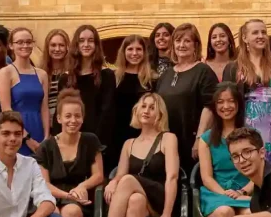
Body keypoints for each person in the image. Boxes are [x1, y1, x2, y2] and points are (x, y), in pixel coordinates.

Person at [71, 93, 180, 217]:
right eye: (143, 106)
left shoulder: (168, 138)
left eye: (151, 107)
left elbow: (172, 177)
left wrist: (167, 212)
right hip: (140, 198)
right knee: (135, 200)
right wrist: (113, 182)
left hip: (160, 196)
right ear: (136, 111)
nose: (146, 110)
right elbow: (119, 174)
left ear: (160, 113)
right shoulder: (129, 143)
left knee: (129, 181)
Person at [35, 89, 105, 217]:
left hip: (79, 199)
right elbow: (43, 183)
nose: (72, 120)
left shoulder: (90, 140)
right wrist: (66, 196)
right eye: (68, 116)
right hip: (51, 195)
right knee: (55, 214)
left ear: (82, 118)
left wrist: (82, 187)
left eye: (77, 116)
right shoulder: (47, 146)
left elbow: (99, 175)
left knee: (71, 213)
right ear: (58, 118)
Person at [222, 19, 271, 163]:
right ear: (245, 38)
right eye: (255, 32)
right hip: (247, 125)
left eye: (263, 32)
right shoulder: (234, 68)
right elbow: (228, 99)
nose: (261, 36)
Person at [198, 82, 251, 217]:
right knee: (225, 212)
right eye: (220, 102)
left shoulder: (249, 135)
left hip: (244, 192)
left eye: (230, 101)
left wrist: (242, 191)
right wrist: (225, 194)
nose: (226, 106)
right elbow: (206, 177)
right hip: (216, 193)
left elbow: (258, 173)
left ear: (238, 104)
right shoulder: (206, 139)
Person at [156, 23, 218, 171]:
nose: (181, 45)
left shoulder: (203, 71)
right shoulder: (166, 74)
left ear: (195, 45)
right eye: (178, 41)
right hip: (167, 140)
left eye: (187, 41)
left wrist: (199, 139)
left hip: (191, 140)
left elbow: (209, 106)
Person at [57, 25, 116, 157]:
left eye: (90, 40)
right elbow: (60, 113)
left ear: (96, 45)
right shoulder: (65, 78)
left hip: (98, 142)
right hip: (70, 142)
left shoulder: (106, 75)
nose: (86, 44)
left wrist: (94, 143)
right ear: (76, 45)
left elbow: (107, 112)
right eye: (82, 40)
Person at [0, 27, 49, 155]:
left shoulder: (42, 74)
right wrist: (26, 138)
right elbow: (6, 109)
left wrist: (46, 136)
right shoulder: (6, 72)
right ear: (11, 45)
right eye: (20, 42)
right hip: (17, 132)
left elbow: (44, 107)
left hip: (39, 128)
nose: (25, 45)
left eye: (28, 42)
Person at [112, 34, 157, 172]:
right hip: (117, 133)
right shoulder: (114, 77)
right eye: (130, 49)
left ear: (144, 53)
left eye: (138, 49)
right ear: (123, 52)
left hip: (143, 132)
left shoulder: (152, 79)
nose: (134, 53)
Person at [40, 29, 71, 123]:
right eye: (53, 45)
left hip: (67, 123)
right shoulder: (40, 72)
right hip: (45, 124)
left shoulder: (72, 72)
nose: (57, 49)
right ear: (47, 47)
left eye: (61, 45)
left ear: (67, 47)